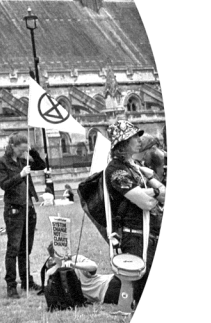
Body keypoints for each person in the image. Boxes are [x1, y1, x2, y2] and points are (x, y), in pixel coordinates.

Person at [105, 120, 165, 309]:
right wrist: (155, 191)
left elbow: (163, 194)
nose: (139, 140)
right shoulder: (116, 170)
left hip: (150, 234)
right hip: (136, 236)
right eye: (133, 137)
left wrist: (153, 190)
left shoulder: (136, 168)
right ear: (122, 143)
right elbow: (146, 202)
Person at [0, 133, 46, 298]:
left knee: (26, 249)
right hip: (14, 210)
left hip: (28, 208)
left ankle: (27, 281)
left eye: (25, 149)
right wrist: (21, 175)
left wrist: (32, 151)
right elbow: (5, 185)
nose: (23, 152)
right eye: (21, 149)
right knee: (13, 249)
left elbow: (41, 164)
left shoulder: (24, 160)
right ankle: (11, 285)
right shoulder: (2, 163)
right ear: (13, 147)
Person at [41, 243, 121, 305]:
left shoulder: (76, 259)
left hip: (109, 282)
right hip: (105, 293)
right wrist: (59, 265)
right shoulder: (55, 273)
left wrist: (74, 264)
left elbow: (93, 267)